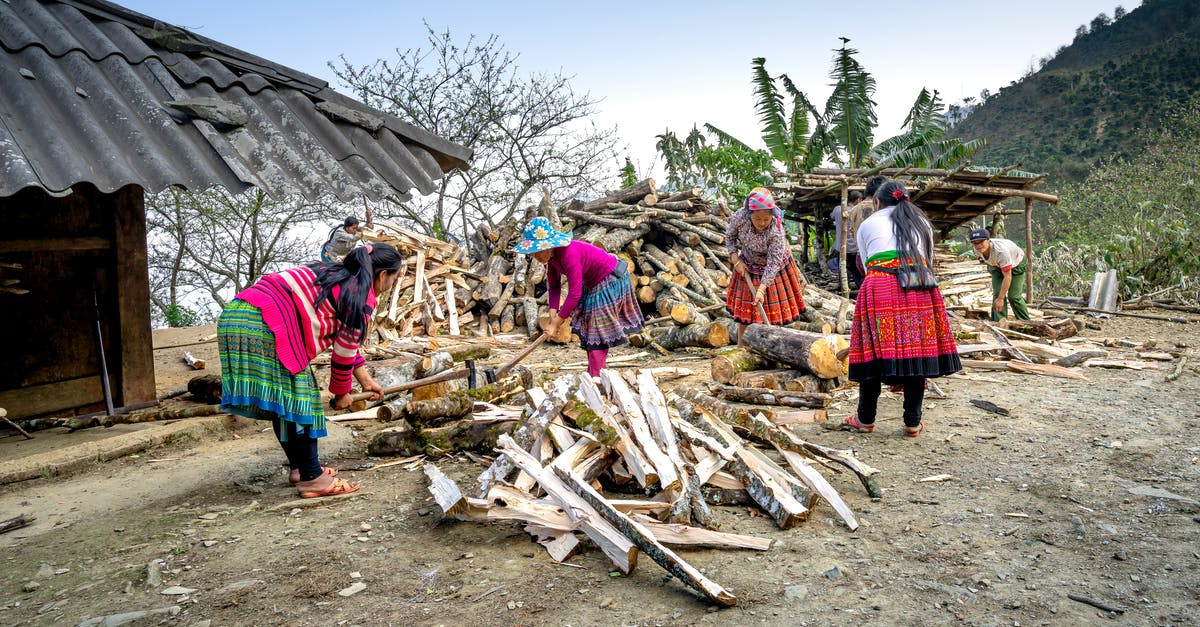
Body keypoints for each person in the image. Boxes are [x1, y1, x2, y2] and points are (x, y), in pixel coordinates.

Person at [218, 244, 402, 497]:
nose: (391, 283)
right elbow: (344, 352)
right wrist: (341, 393)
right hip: (265, 322)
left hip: (240, 313)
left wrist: (366, 381)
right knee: (303, 398)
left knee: (286, 399)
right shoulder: (361, 294)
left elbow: (346, 342)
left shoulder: (335, 274)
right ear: (383, 275)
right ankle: (313, 479)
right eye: (394, 277)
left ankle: (301, 469)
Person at [836, 181, 961, 437]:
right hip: (920, 285)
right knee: (917, 350)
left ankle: (865, 418)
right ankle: (913, 422)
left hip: (880, 285)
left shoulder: (869, 223)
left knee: (872, 351)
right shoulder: (922, 223)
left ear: (878, 202)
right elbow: (929, 258)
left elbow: (865, 261)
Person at [515, 217, 644, 378]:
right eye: (533, 252)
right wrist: (553, 313)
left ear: (549, 245)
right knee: (590, 329)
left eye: (538, 251)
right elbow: (554, 286)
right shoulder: (551, 259)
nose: (536, 256)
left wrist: (557, 323)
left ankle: (596, 378)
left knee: (597, 331)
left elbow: (574, 293)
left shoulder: (569, 254)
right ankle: (593, 373)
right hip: (592, 281)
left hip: (609, 278)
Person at [725, 188, 807, 346]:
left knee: (775, 313)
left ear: (772, 215)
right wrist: (736, 260)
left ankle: (773, 346)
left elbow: (773, 262)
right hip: (747, 263)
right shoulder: (740, 217)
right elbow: (730, 237)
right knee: (745, 313)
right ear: (749, 215)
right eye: (758, 219)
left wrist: (762, 289)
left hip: (774, 269)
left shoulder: (776, 230)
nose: (762, 223)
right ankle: (742, 348)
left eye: (766, 219)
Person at [969, 228, 1031, 321]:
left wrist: (1001, 299)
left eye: (981, 242)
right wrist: (999, 297)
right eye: (975, 243)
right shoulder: (977, 249)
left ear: (988, 240)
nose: (978, 245)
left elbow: (1007, 276)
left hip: (1016, 264)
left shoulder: (1001, 252)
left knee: (1013, 296)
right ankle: (999, 323)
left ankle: (1025, 322)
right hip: (996, 266)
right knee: (997, 294)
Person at [829, 190, 865, 286]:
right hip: (854, 248)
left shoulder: (837, 209)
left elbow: (831, 216)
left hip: (841, 248)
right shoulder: (858, 211)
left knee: (843, 271)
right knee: (857, 272)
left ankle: (844, 288)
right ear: (858, 200)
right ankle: (860, 290)